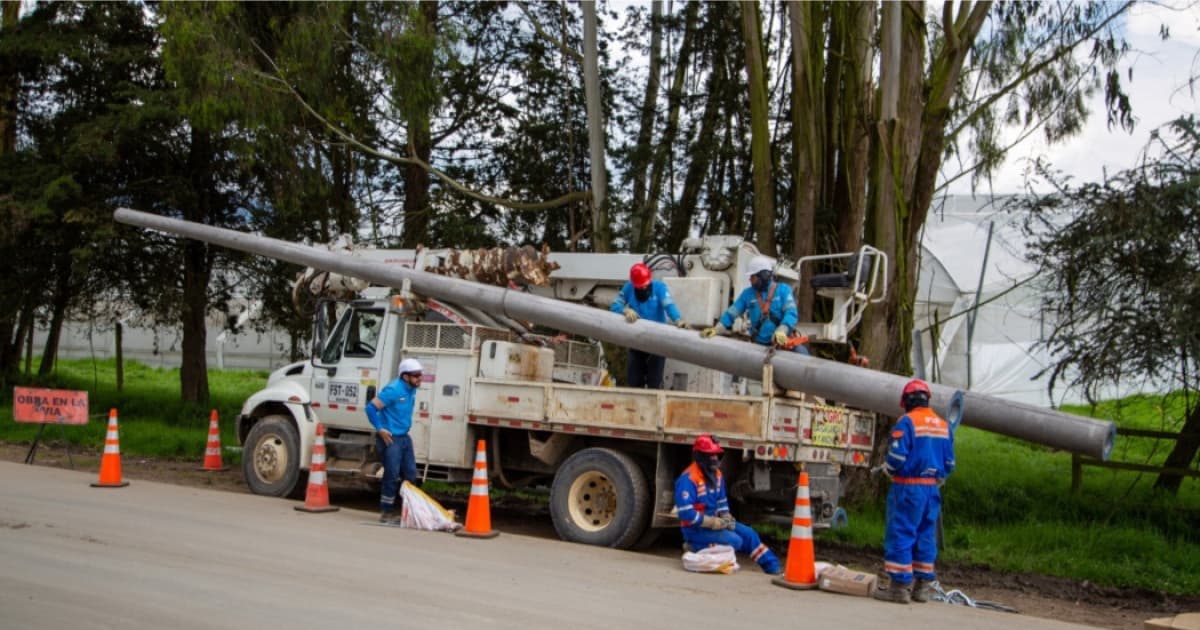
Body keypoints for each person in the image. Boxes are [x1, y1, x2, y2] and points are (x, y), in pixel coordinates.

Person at [873, 378, 956, 604]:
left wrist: (888, 470)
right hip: (931, 490)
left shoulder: (907, 422)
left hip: (908, 487)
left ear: (907, 401)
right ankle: (921, 588)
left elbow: (897, 457)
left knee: (901, 532)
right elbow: (949, 464)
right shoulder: (943, 425)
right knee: (925, 536)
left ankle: (899, 588)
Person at [674, 433, 782, 575]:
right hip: (696, 530)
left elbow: (722, 501)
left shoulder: (717, 475)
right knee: (735, 541)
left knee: (749, 534)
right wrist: (711, 522)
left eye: (716, 455)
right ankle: (693, 546)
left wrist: (727, 517)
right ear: (700, 456)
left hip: (716, 523)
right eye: (710, 456)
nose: (714, 459)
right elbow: (685, 513)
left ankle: (773, 568)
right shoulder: (688, 479)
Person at [699, 256, 809, 355]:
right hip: (758, 347)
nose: (750, 280)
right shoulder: (748, 294)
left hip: (782, 345)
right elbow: (732, 313)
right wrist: (717, 329)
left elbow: (791, 313)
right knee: (737, 369)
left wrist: (783, 329)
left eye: (753, 277)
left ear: (764, 276)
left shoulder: (784, 290)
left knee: (802, 353)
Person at [610, 262, 688, 389]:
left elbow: (669, 305)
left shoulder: (659, 288)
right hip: (637, 341)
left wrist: (678, 320)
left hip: (657, 342)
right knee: (634, 381)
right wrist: (625, 310)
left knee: (654, 382)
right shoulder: (629, 288)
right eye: (639, 287)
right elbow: (615, 306)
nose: (642, 289)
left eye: (644, 286)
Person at [365, 357, 424, 522]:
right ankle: (386, 512)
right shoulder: (393, 390)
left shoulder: (411, 389)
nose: (420, 378)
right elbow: (370, 408)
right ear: (405, 376)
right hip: (391, 439)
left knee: (411, 474)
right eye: (416, 375)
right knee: (391, 474)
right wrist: (380, 428)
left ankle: (409, 511)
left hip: (404, 437)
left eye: (420, 375)